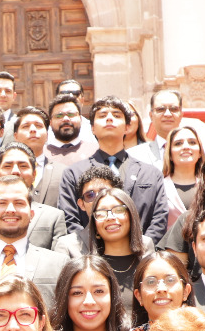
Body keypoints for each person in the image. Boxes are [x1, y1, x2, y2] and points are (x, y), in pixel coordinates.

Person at [58, 96, 169, 242]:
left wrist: (141, 248)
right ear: (92, 128)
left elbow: (159, 219)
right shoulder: (73, 173)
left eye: (116, 115)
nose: (109, 118)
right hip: (89, 253)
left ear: (127, 127)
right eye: (102, 115)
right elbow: (70, 219)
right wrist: (92, 250)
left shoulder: (150, 173)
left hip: (140, 252)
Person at [56, 188, 151, 319]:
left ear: (131, 215)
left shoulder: (147, 263)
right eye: (101, 213)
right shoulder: (87, 267)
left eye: (118, 210)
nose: (110, 217)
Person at [0, 176, 70, 311]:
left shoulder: (59, 264)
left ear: (32, 214)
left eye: (19, 203)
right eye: (2, 203)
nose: (10, 209)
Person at [0, 143, 68, 251]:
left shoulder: (54, 217)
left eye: (23, 166)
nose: (15, 171)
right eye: (7, 166)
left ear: (34, 175)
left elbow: (59, 259)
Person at [7, 109, 65, 208]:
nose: (33, 130)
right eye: (26, 126)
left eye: (38, 126)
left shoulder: (63, 172)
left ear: (47, 136)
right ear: (15, 136)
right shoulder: (1, 170)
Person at [160, 125, 204, 225]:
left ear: (200, 152)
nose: (186, 147)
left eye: (192, 142)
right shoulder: (159, 187)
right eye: (178, 143)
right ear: (169, 154)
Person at [127, 89, 182, 165]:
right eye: (161, 109)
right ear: (151, 116)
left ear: (181, 114)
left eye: (173, 109)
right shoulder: (133, 156)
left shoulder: (194, 152)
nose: (168, 114)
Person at [44, 94, 92, 171]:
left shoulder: (94, 152)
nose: (66, 119)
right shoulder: (43, 154)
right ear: (50, 122)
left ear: (81, 119)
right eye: (59, 115)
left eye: (71, 114)